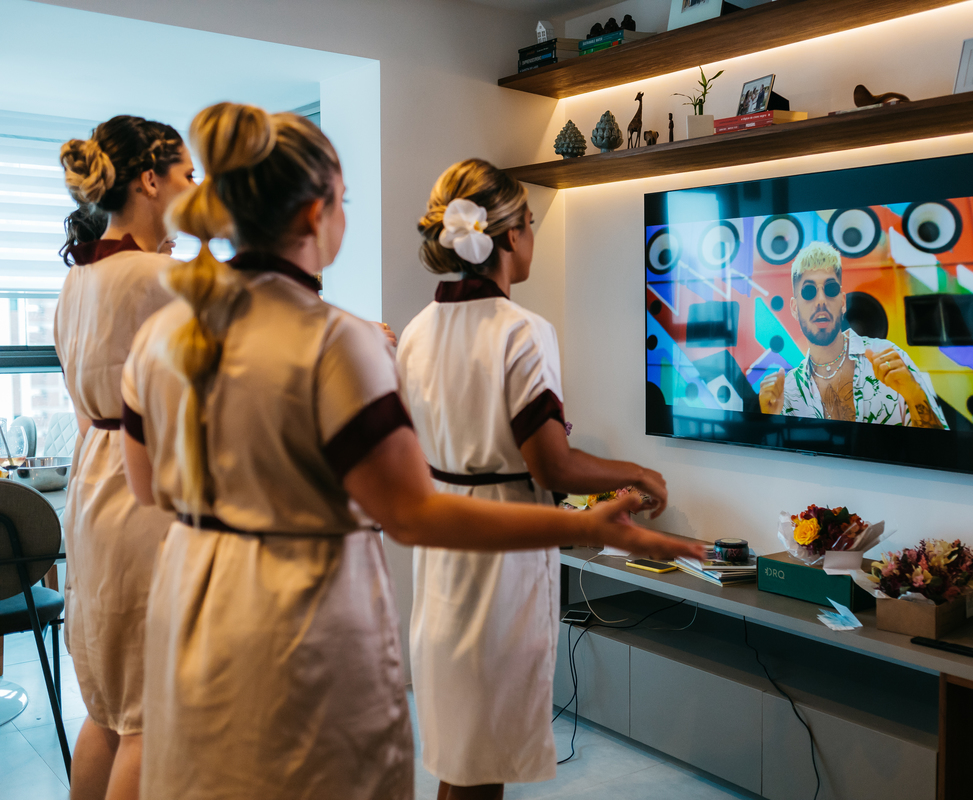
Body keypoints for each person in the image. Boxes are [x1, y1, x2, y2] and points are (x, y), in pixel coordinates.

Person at [119, 102, 702, 800]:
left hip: (191, 599)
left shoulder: (161, 337)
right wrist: (587, 525)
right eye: (345, 201)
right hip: (300, 612)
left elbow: (147, 488)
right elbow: (411, 514)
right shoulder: (338, 340)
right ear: (316, 214)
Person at [398, 159, 671, 800]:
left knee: (463, 753)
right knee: (485, 755)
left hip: (444, 548)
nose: (533, 236)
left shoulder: (416, 330)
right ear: (511, 234)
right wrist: (639, 472)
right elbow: (554, 466)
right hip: (505, 553)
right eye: (529, 221)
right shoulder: (522, 331)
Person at [54, 115, 194, 800]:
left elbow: (85, 411)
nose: (196, 188)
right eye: (189, 174)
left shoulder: (76, 282)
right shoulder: (162, 276)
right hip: (147, 492)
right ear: (150, 181)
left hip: (91, 487)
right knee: (149, 718)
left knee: (107, 711)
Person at [758, 242, 947, 428]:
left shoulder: (889, 357)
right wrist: (770, 419)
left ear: (842, 303)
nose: (821, 300)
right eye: (809, 291)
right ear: (794, 308)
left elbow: (939, 443)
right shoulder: (787, 391)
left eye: (830, 289)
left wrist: (914, 394)